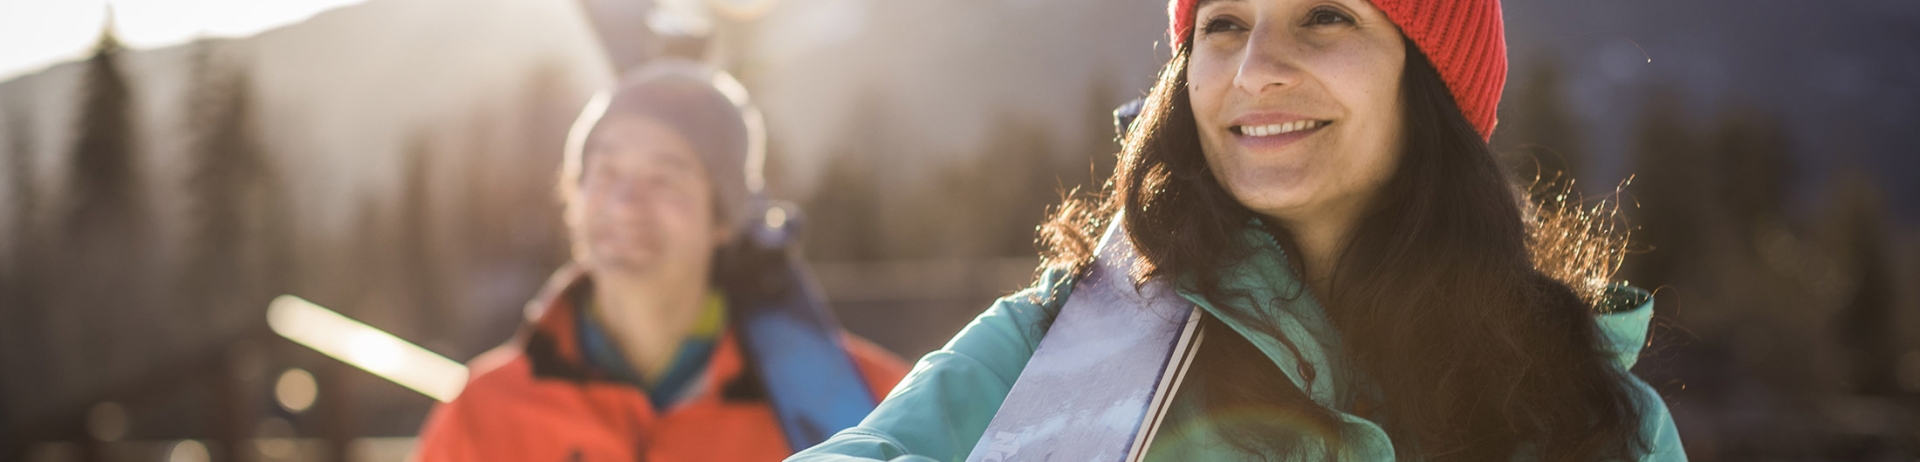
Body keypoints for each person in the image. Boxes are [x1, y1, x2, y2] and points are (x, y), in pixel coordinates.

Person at [788, 0, 1687, 460]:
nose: (1256, 71)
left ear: (1432, 82)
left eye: (1323, 15)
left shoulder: (1589, 419)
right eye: (1223, 24)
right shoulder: (1063, 343)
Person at [415, 60, 908, 462]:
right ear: (572, 197)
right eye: (604, 172)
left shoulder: (862, 405)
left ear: (722, 218)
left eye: (664, 178)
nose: (625, 203)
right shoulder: (484, 410)